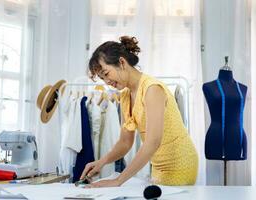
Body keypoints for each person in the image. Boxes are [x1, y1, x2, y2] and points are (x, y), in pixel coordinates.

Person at [81, 36, 198, 187]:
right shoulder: (125, 96)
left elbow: (152, 142)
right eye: (102, 78)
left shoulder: (152, 89)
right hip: (158, 166)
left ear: (122, 63)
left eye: (106, 74)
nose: (107, 82)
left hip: (180, 163)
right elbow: (125, 142)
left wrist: (118, 181)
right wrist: (102, 162)